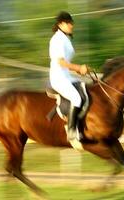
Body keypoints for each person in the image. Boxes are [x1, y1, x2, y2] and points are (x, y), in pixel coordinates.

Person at [49, 11, 88, 141]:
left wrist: (78, 70)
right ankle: (71, 130)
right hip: (58, 78)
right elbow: (60, 62)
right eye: (69, 23)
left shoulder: (64, 38)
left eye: (72, 23)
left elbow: (66, 62)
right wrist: (78, 68)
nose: (72, 25)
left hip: (66, 76)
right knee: (76, 99)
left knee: (85, 89)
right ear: (61, 24)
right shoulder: (57, 39)